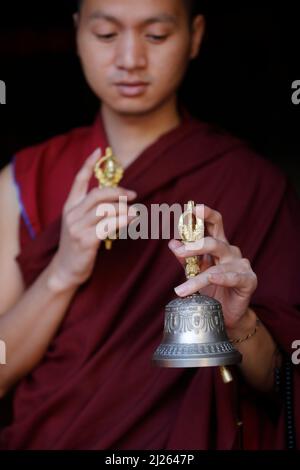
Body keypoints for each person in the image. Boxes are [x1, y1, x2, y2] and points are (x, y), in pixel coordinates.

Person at [0, 0, 299, 450]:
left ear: (195, 35)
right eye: (106, 35)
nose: (130, 59)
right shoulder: (25, 180)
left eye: (156, 35)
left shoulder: (253, 184)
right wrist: (62, 273)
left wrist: (238, 323)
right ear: (78, 32)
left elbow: (284, 384)